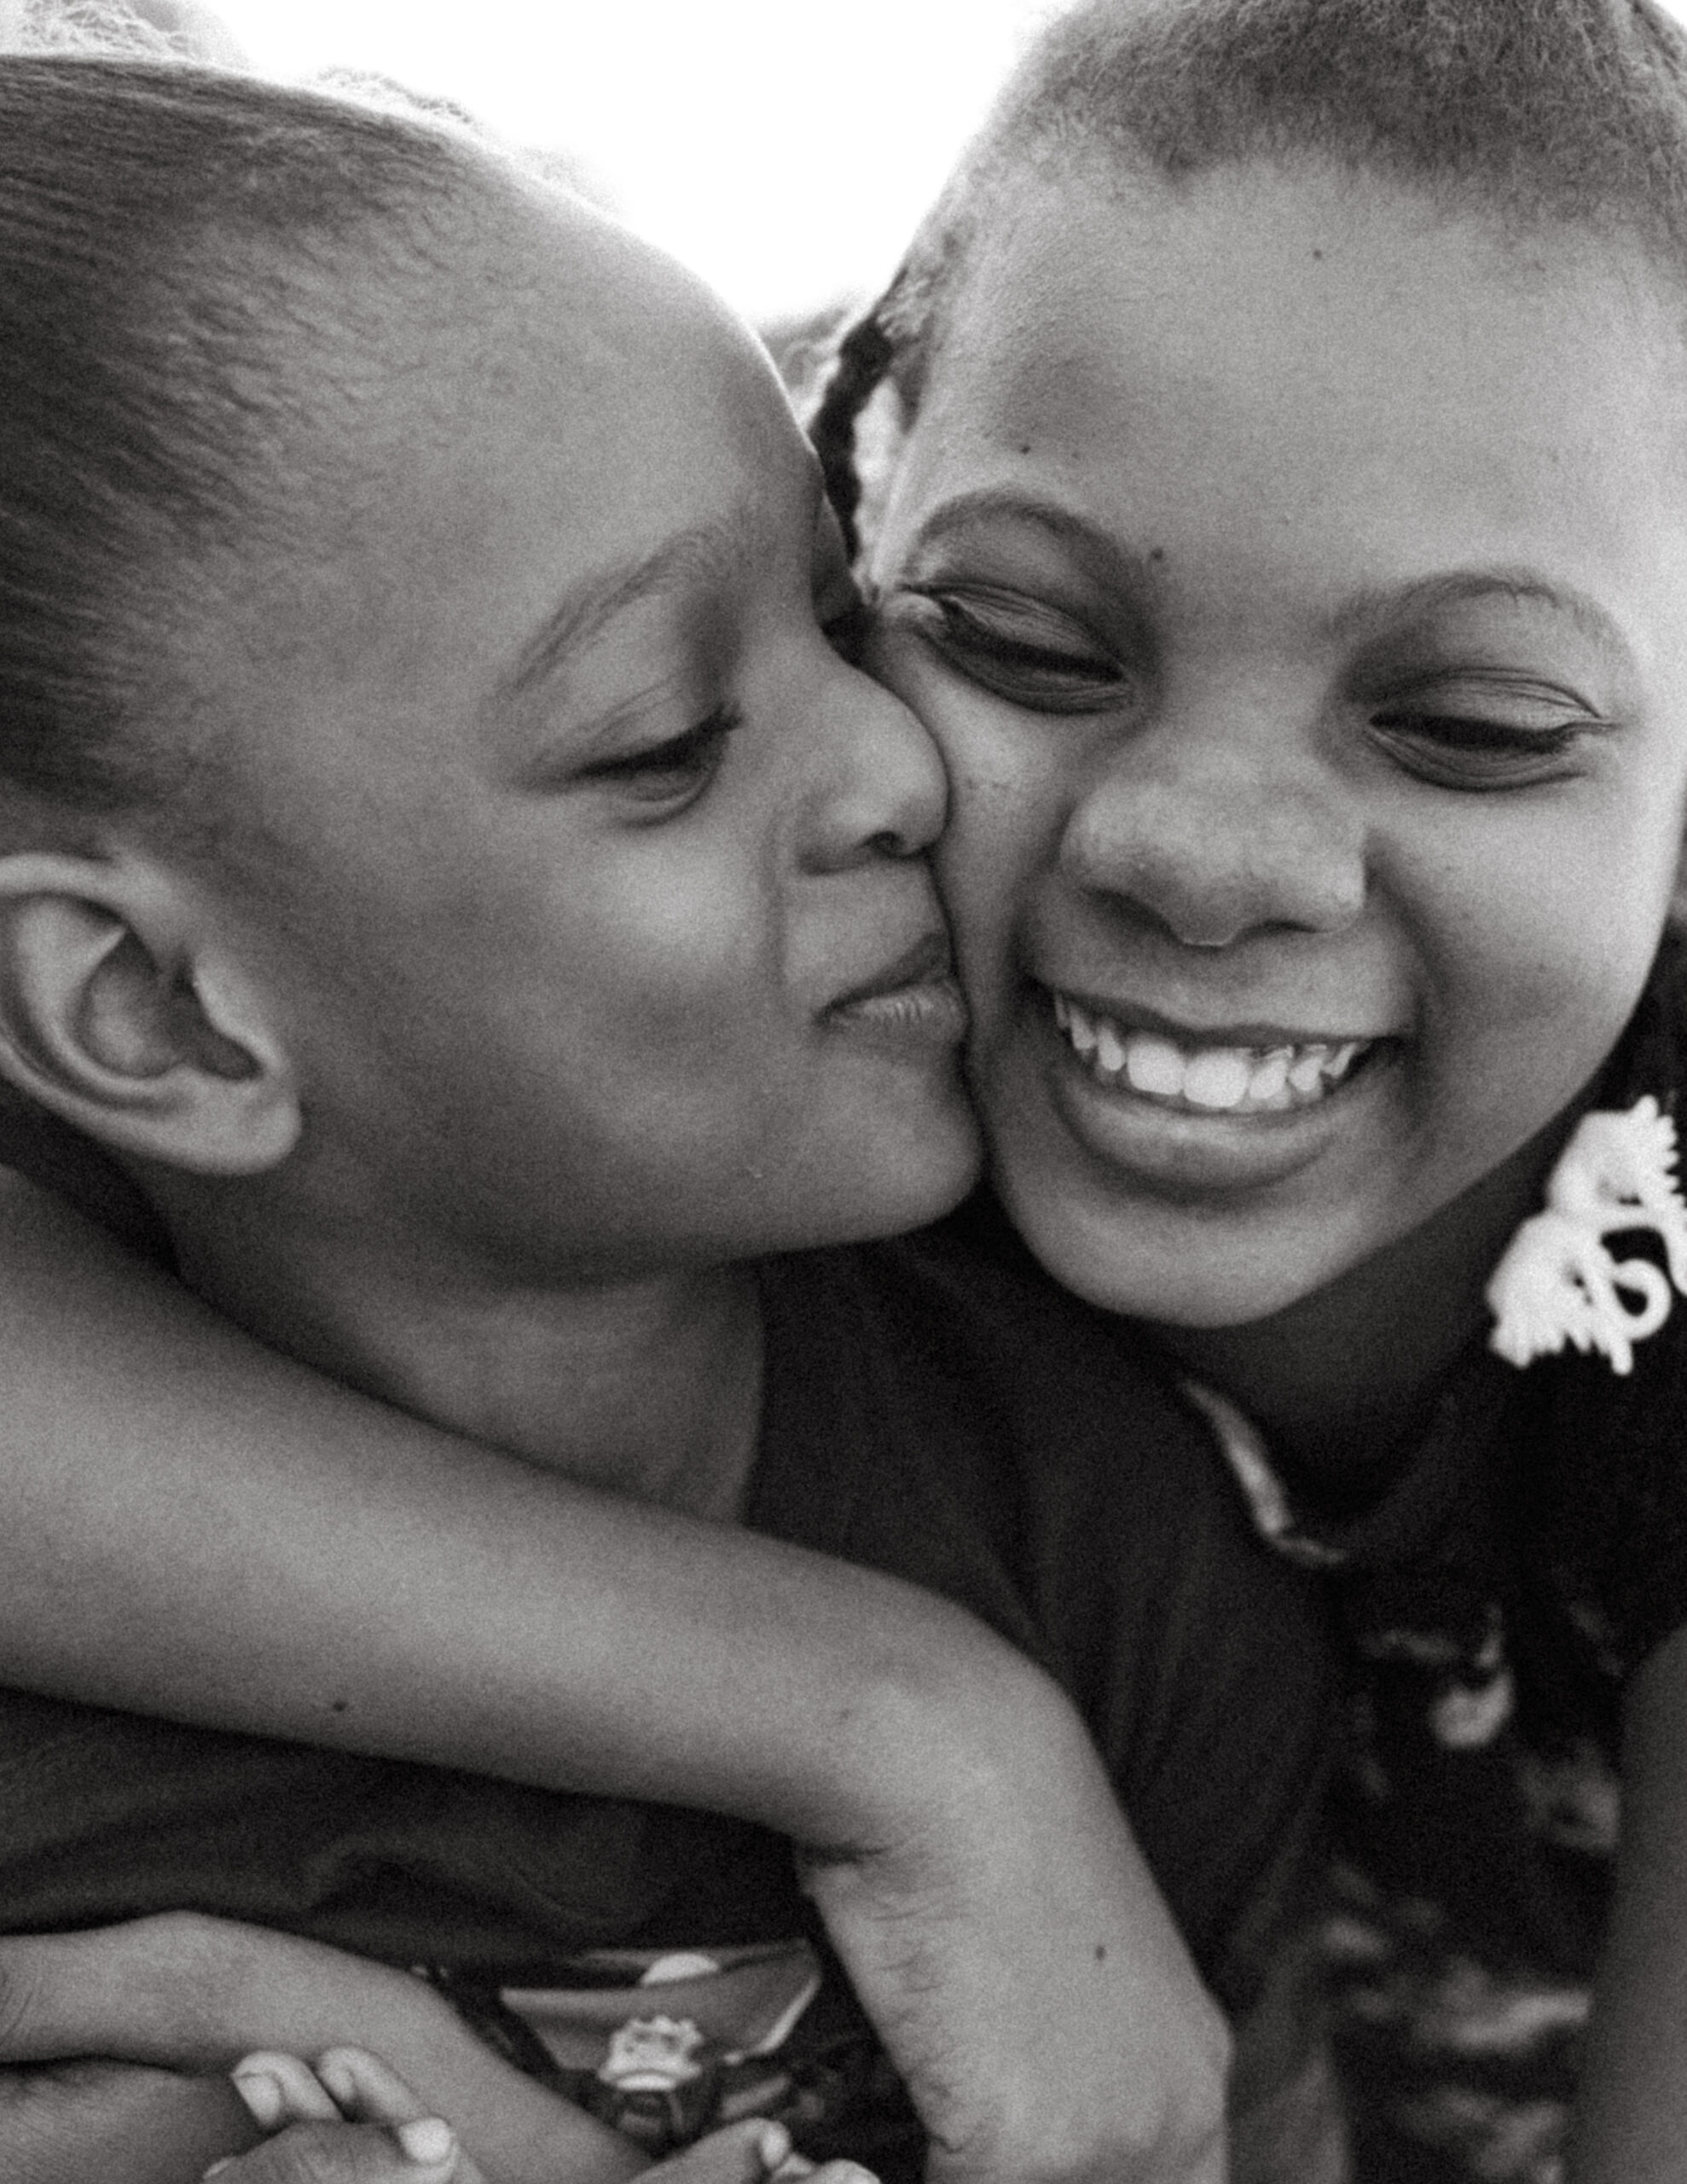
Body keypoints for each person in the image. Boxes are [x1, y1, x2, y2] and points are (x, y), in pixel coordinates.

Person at [11, 0, 1687, 2177]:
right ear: (849, 473)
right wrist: (902, 1730)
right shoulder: (573, 1007)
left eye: (1469, 721)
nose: (1197, 851)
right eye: (1016, 639)